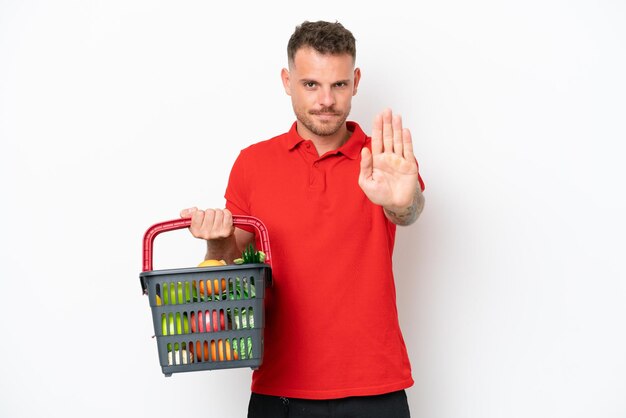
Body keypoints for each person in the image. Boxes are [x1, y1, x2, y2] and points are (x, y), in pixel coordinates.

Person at [180, 20, 425, 418]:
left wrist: (403, 200)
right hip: (281, 391)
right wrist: (215, 239)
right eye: (311, 84)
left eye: (339, 85)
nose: (326, 100)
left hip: (374, 388)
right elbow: (228, 259)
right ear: (287, 80)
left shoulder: (383, 158)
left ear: (356, 81)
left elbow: (408, 209)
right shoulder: (253, 163)